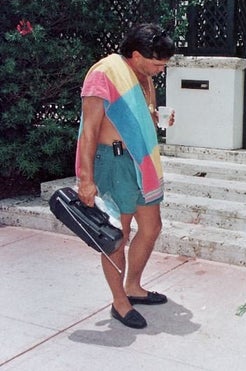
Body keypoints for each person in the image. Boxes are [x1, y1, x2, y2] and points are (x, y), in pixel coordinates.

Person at [75, 23, 175, 329]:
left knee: (151, 227)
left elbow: (141, 113)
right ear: (135, 54)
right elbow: (89, 131)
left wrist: (154, 116)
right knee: (118, 237)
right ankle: (119, 302)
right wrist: (85, 179)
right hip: (114, 164)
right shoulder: (103, 74)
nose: (161, 69)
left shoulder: (144, 76)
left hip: (142, 163)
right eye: (157, 63)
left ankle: (133, 286)